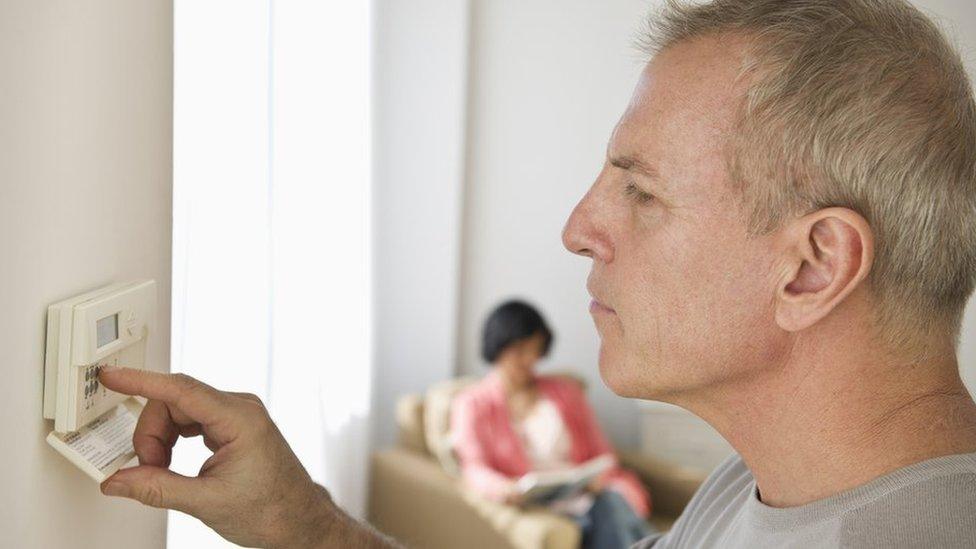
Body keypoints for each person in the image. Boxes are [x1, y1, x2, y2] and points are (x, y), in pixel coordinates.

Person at [97, 0, 976, 547]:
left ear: (813, 267)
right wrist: (306, 525)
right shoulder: (764, 488)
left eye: (641, 192)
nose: (577, 228)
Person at [450, 300, 651, 548]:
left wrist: (597, 478)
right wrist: (504, 488)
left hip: (585, 495)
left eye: (536, 349)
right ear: (498, 346)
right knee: (613, 513)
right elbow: (473, 468)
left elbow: (603, 453)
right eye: (520, 350)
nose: (530, 359)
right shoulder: (472, 404)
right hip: (538, 503)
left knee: (609, 506)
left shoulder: (565, 391)